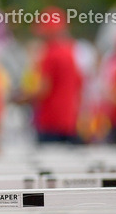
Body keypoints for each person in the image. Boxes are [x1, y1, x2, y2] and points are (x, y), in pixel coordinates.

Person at [19, 8, 83, 144]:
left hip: (50, 122)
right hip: (69, 120)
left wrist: (21, 98)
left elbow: (43, 90)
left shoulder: (51, 54)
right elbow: (79, 83)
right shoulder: (72, 52)